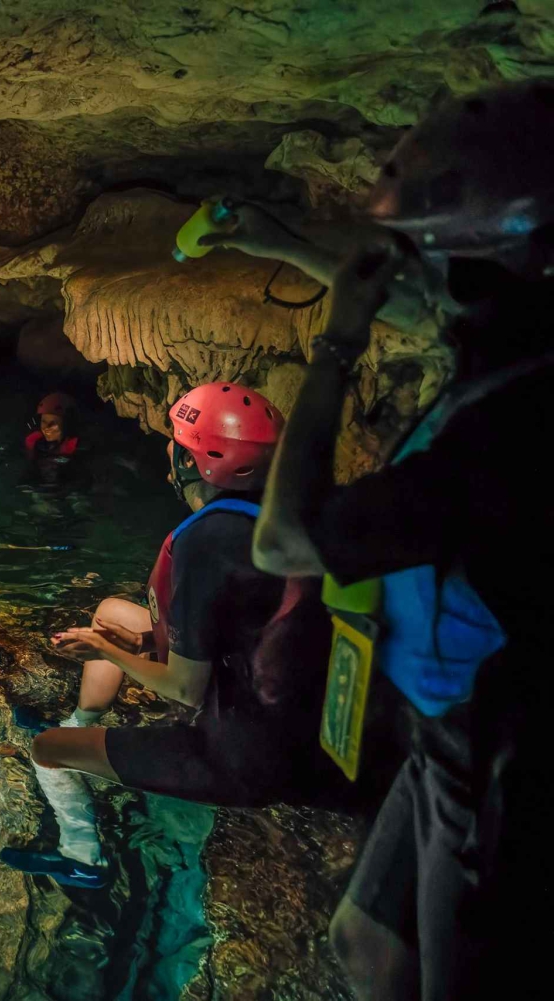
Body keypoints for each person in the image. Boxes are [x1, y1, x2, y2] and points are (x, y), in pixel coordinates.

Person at [247, 83, 554, 1001]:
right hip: (449, 733)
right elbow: (429, 314)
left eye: (424, 256)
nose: (410, 277)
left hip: (501, 759)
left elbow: (284, 540)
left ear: (486, 264)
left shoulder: (516, 432)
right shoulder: (517, 358)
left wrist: (336, 340)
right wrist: (274, 241)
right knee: (368, 943)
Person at [1, 382, 336, 889]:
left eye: (179, 444)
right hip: (292, 718)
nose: (170, 453)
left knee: (48, 749)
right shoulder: (277, 520)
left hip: (241, 754)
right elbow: (248, 624)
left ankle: (83, 856)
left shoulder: (207, 541)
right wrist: (139, 642)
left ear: (199, 462)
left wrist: (104, 648)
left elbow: (184, 688)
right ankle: (81, 717)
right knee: (115, 612)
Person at [24, 392, 81, 486]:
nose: (46, 428)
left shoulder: (77, 447)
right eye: (43, 421)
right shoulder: (36, 443)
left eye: (53, 423)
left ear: (66, 424)